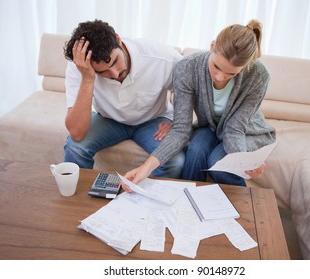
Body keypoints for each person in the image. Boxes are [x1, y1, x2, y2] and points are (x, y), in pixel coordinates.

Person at [123, 19, 276, 188]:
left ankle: (240, 208)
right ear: (211, 46)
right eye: (216, 66)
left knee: (220, 166)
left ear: (245, 66)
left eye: (230, 74)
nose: (219, 77)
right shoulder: (187, 68)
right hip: (209, 127)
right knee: (195, 150)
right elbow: (181, 129)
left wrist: (243, 162)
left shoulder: (259, 75)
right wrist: (146, 168)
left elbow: (235, 128)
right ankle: (187, 200)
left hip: (244, 131)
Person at [63, 19, 184, 178]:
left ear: (118, 39)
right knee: (75, 148)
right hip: (108, 120)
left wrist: (177, 121)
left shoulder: (163, 58)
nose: (114, 74)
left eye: (114, 61)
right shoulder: (79, 66)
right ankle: (80, 201)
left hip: (153, 119)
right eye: (102, 72)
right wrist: (87, 79)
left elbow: (192, 91)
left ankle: (150, 201)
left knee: (174, 160)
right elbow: (77, 133)